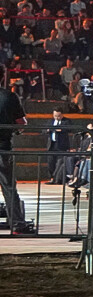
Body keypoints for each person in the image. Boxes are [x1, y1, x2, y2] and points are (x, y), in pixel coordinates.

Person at [0, 76, 33, 234]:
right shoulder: (9, 96)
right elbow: (21, 123)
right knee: (8, 187)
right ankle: (17, 225)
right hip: (3, 147)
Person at [46, 108, 73, 185]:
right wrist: (48, 130)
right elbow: (44, 130)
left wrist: (60, 130)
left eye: (58, 116)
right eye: (55, 116)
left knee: (59, 163)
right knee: (51, 163)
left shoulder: (66, 121)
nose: (56, 118)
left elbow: (69, 129)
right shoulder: (50, 121)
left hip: (61, 146)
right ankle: (51, 177)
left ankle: (56, 178)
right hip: (52, 145)